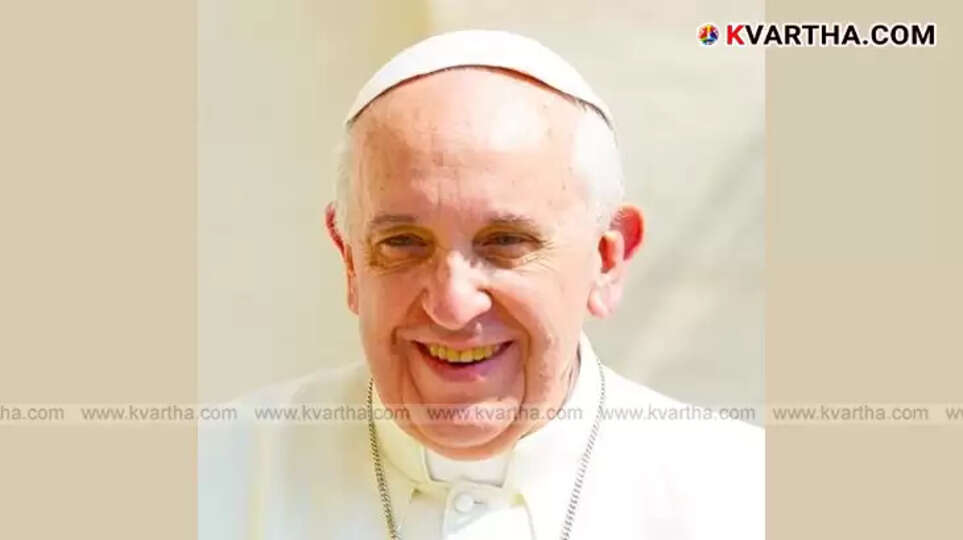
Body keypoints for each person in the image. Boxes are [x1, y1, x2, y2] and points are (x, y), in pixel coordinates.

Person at [199, 29, 763, 539]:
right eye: (403, 243)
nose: (451, 304)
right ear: (350, 261)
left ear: (606, 260)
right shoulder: (211, 478)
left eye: (505, 242)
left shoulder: (745, 498)